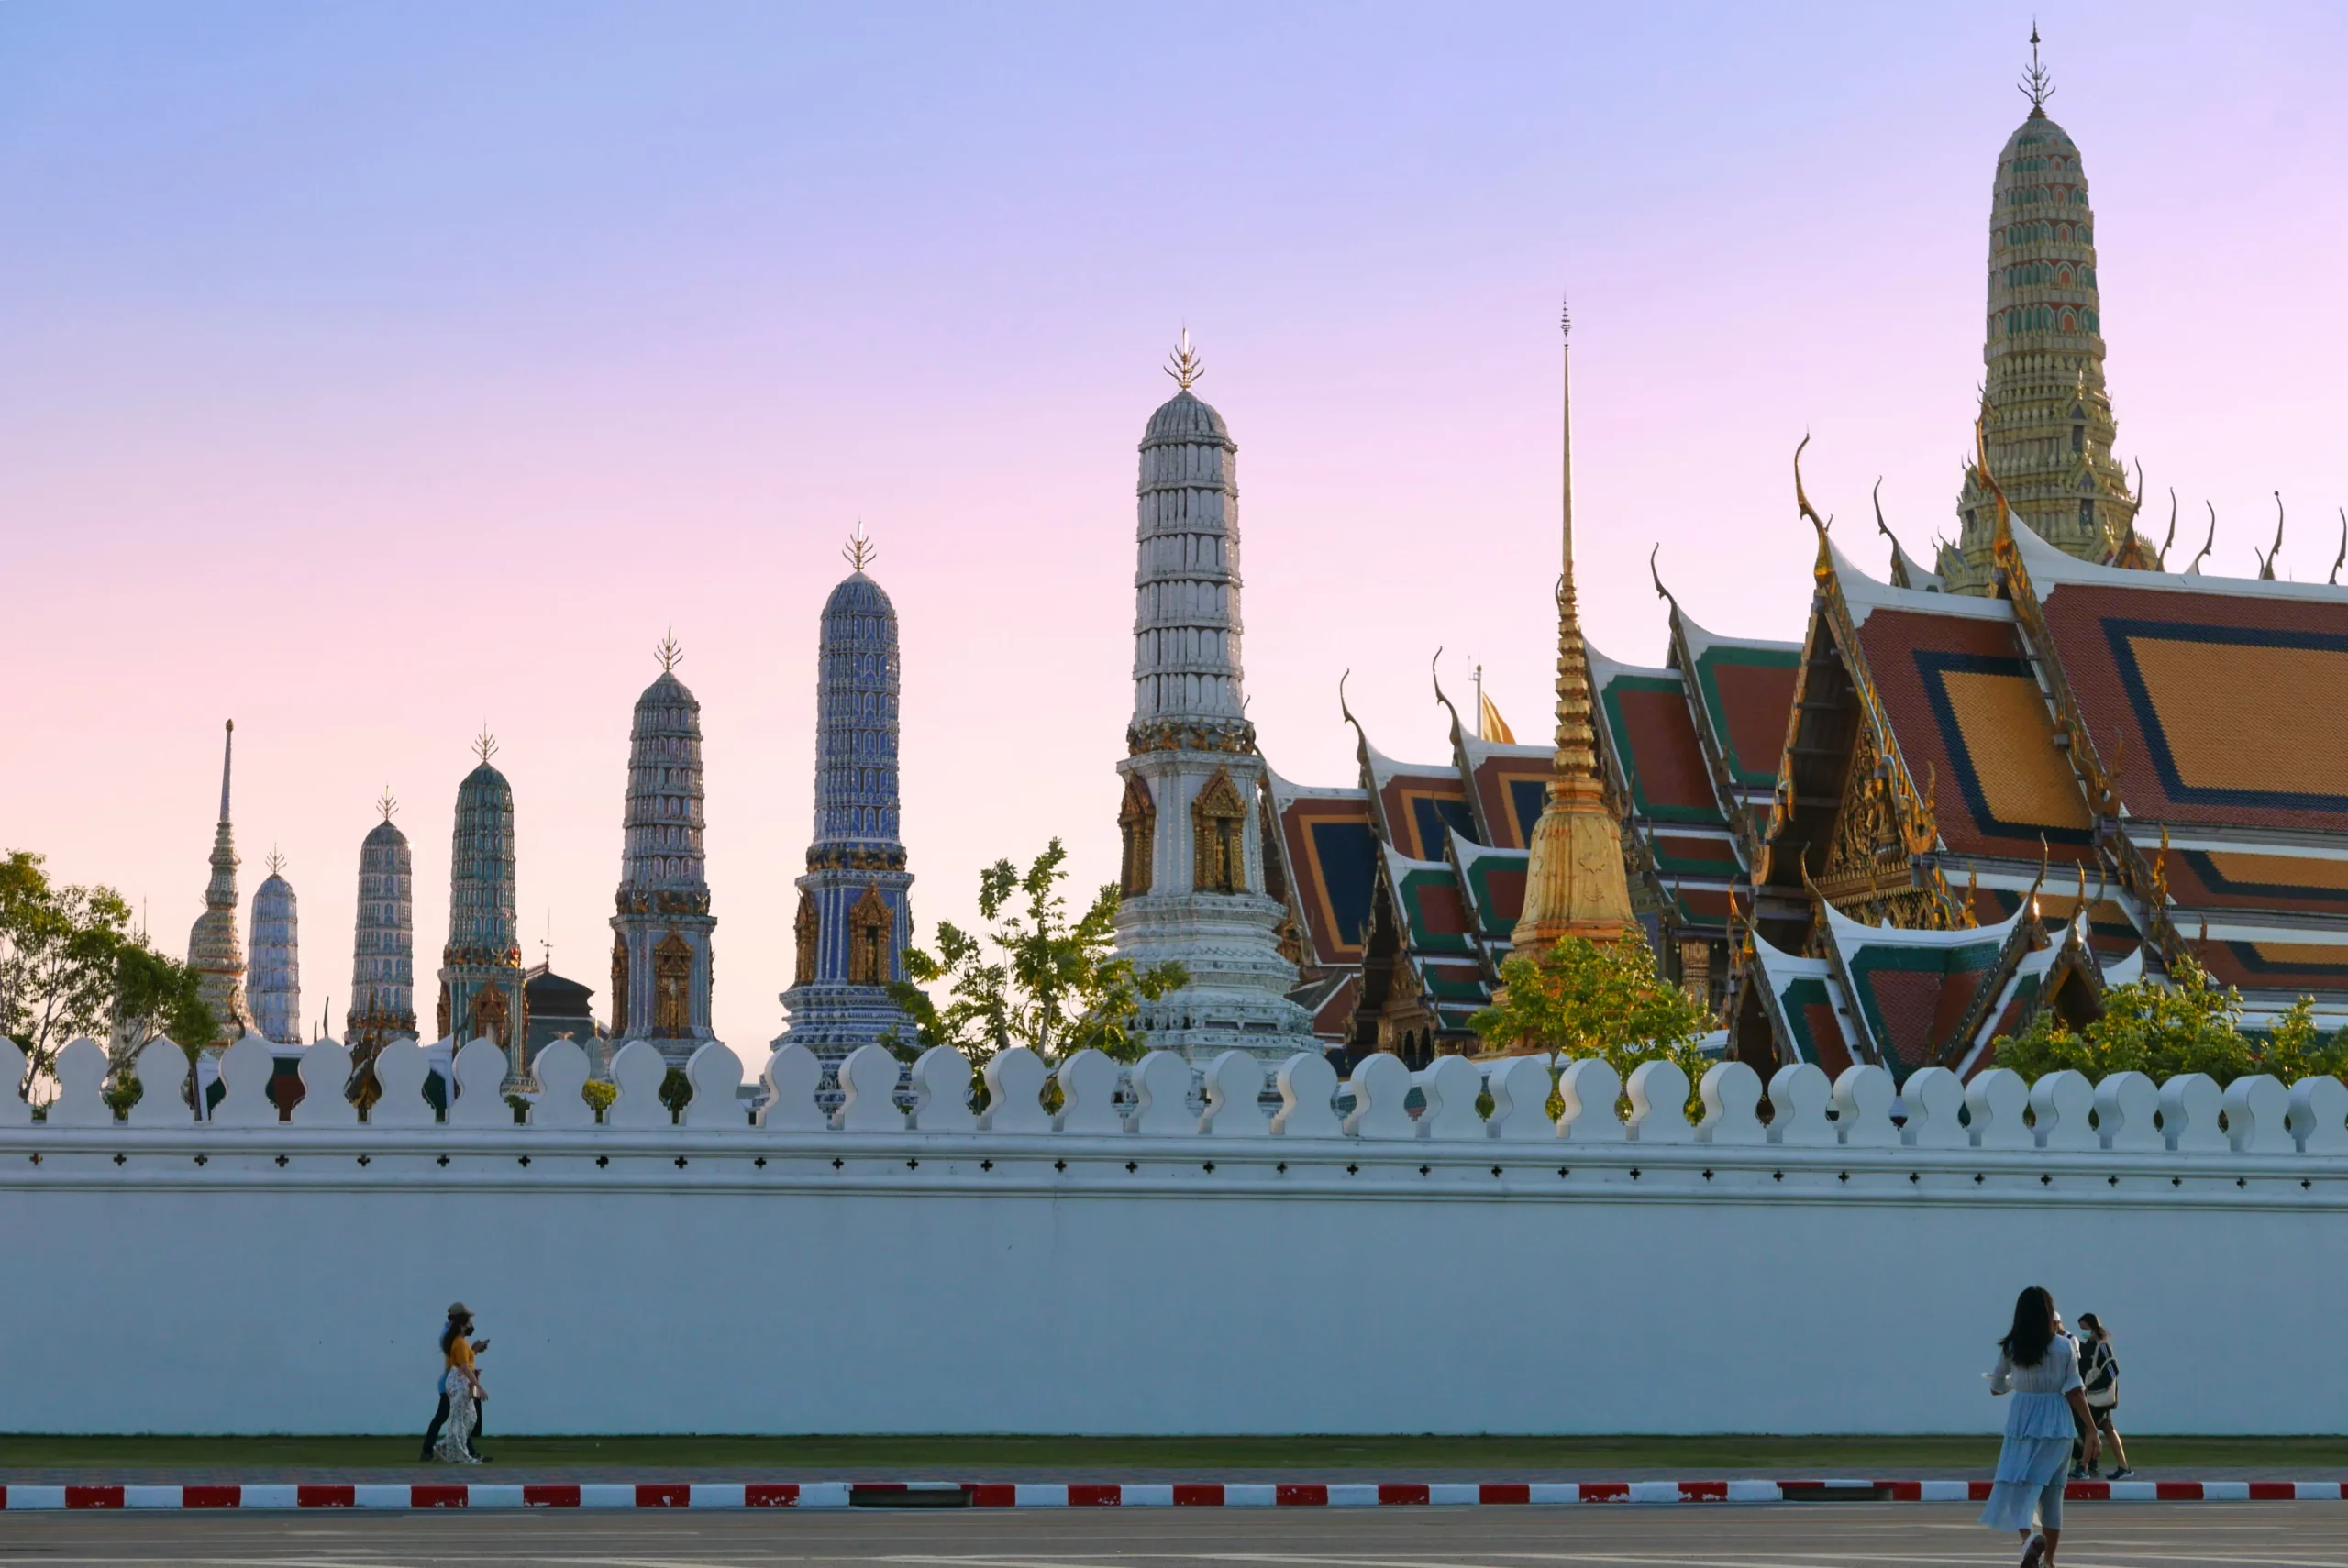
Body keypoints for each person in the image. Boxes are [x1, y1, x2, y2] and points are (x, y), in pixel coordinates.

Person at [1982, 1286, 2097, 1568]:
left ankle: (2028, 1543)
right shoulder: (2065, 1345)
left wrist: (2016, 1382)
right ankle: (2050, 1562)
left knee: (2019, 1487)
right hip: (2058, 1422)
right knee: (2052, 1494)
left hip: (2023, 1420)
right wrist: (2092, 1430)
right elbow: (2074, 1390)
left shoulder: (2013, 1347)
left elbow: (1997, 1386)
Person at [419, 1303, 491, 1463]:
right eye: (467, 1320)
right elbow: (460, 1363)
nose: (471, 1325)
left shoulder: (455, 1337)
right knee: (455, 1417)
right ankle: (438, 1449)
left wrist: (473, 1351)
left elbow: (462, 1359)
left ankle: (461, 1451)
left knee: (463, 1416)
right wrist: (477, 1385)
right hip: (456, 1383)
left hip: (461, 1380)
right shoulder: (451, 1337)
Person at [2072, 1312, 2133, 1480]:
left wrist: (2092, 1387)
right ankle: (2123, 1466)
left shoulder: (2102, 1346)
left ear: (2092, 1327)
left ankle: (2083, 1468)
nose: (2082, 1332)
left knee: (2089, 1429)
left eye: (2084, 1328)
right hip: (2095, 1398)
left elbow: (2113, 1370)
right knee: (2108, 1430)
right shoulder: (2088, 1346)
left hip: (2097, 1398)